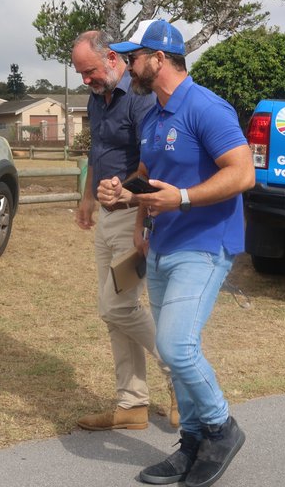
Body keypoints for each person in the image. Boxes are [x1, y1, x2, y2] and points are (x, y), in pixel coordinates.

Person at [97, 19, 255, 487]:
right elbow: (149, 172)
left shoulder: (206, 108)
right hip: (163, 244)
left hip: (204, 245)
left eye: (134, 57)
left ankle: (221, 428)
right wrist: (123, 194)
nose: (128, 65)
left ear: (159, 59)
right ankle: (190, 444)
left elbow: (243, 174)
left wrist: (182, 199)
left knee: (176, 346)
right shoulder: (154, 115)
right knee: (178, 346)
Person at [70, 30, 177, 431]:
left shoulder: (140, 99)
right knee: (116, 315)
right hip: (106, 218)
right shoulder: (97, 100)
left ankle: (180, 374)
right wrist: (87, 197)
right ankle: (132, 404)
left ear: (113, 59)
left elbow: (152, 165)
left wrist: (126, 195)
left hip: (136, 215)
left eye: (91, 71)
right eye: (81, 73)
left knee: (116, 306)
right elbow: (98, 152)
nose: (87, 80)